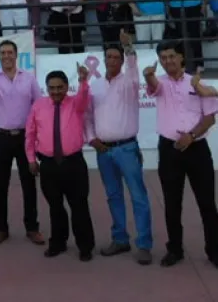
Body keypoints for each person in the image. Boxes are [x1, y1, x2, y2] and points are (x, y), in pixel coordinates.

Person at [144, 41, 218, 267]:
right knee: (172, 203)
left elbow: (210, 118)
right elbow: (153, 86)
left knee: (207, 203)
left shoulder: (197, 84)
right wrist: (148, 75)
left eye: (172, 56)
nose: (168, 61)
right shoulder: (161, 85)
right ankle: (175, 249)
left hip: (197, 149)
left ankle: (214, 251)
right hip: (169, 150)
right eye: (163, 58)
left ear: (182, 57)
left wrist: (191, 136)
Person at [86, 31, 153, 265]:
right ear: (104, 60)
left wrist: (129, 48)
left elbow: (134, 69)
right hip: (103, 151)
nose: (112, 60)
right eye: (109, 57)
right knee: (113, 196)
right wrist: (91, 138)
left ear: (123, 61)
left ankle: (144, 244)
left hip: (127, 149)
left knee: (138, 196)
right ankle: (120, 239)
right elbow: (87, 116)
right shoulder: (95, 86)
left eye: (117, 57)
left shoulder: (130, 82)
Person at [25, 66, 95, 262]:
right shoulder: (38, 106)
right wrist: (31, 159)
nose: (55, 91)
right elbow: (30, 134)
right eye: (51, 88)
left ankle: (85, 246)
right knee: (55, 206)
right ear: (46, 88)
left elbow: (83, 96)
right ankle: (58, 242)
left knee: (79, 206)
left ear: (66, 87)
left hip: (73, 163)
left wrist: (83, 81)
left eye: (59, 87)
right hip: (48, 165)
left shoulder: (76, 104)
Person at [0, 40, 44, 246]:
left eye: (10, 52)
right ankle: (1, 228)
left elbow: (39, 105)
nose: (6, 56)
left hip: (25, 137)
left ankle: (32, 227)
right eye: (3, 52)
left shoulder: (29, 78)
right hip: (1, 137)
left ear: (16, 55)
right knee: (0, 184)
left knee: (29, 183)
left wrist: (37, 136)